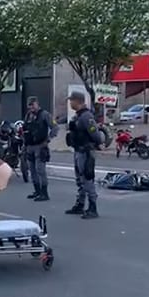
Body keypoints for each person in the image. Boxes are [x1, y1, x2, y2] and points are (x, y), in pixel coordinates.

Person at [64, 91, 99, 219]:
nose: (70, 103)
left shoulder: (86, 116)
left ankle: (92, 207)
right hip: (78, 150)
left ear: (77, 101)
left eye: (71, 100)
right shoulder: (77, 116)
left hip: (85, 152)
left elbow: (96, 136)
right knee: (80, 180)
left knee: (87, 179)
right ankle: (80, 204)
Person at [23, 96, 59, 201]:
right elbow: (25, 129)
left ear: (37, 104)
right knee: (32, 170)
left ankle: (44, 193)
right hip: (30, 146)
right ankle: (37, 191)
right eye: (29, 105)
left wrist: (48, 140)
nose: (31, 107)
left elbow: (55, 127)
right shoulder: (28, 116)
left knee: (40, 170)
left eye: (33, 104)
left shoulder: (44, 114)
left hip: (40, 146)